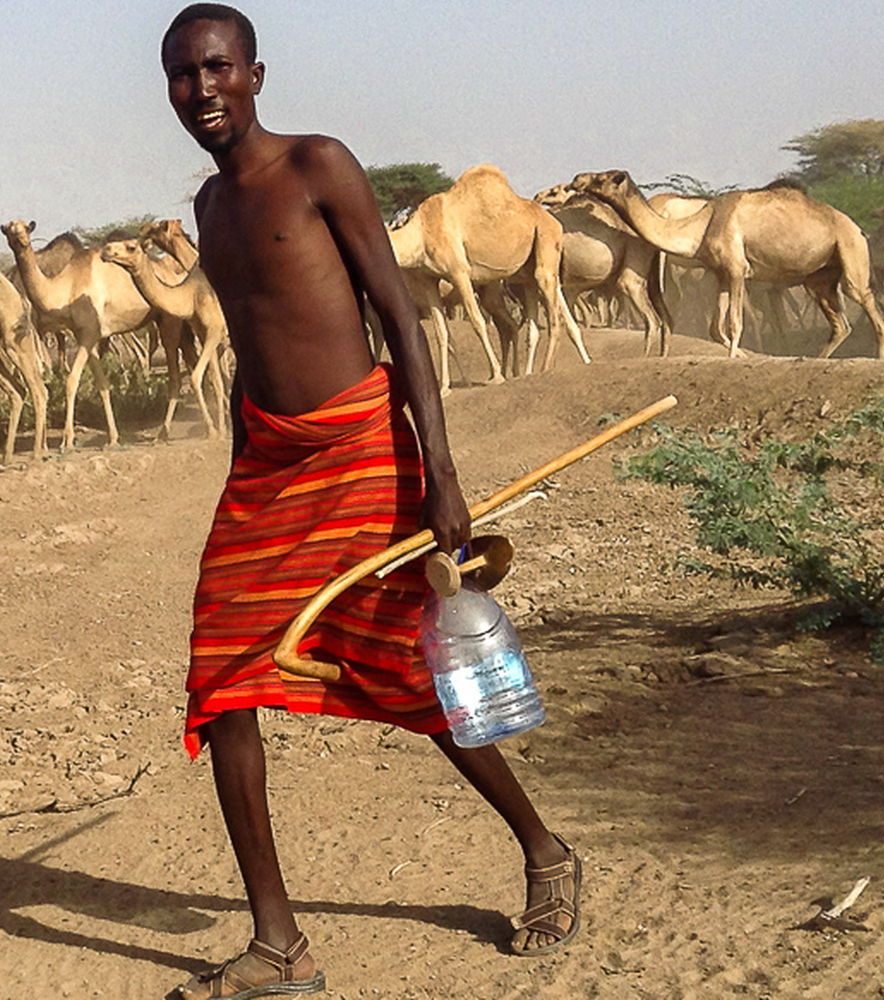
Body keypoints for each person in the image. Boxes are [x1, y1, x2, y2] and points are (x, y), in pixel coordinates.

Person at [161, 5, 581, 998]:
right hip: (268, 464)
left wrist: (440, 471)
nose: (202, 90)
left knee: (408, 672)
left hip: (360, 446)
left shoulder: (318, 167)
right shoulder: (208, 210)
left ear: (256, 74)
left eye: (217, 67)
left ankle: (545, 848)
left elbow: (397, 315)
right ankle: (278, 948)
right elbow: (246, 347)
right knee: (223, 682)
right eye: (182, 75)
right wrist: (240, 469)